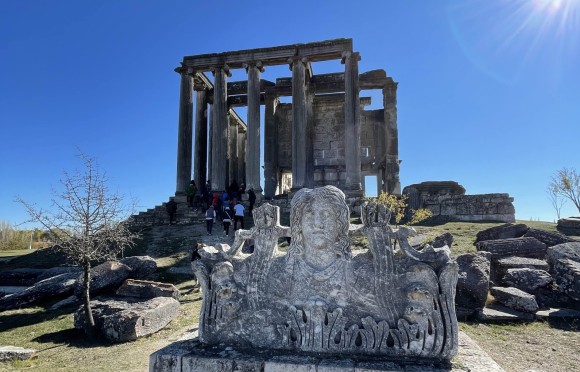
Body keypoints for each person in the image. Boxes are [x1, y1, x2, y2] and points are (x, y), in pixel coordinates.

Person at [284, 186, 352, 304]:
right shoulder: (280, 273)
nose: (317, 223)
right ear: (298, 223)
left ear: (340, 222)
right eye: (310, 214)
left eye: (326, 214)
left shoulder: (357, 274)